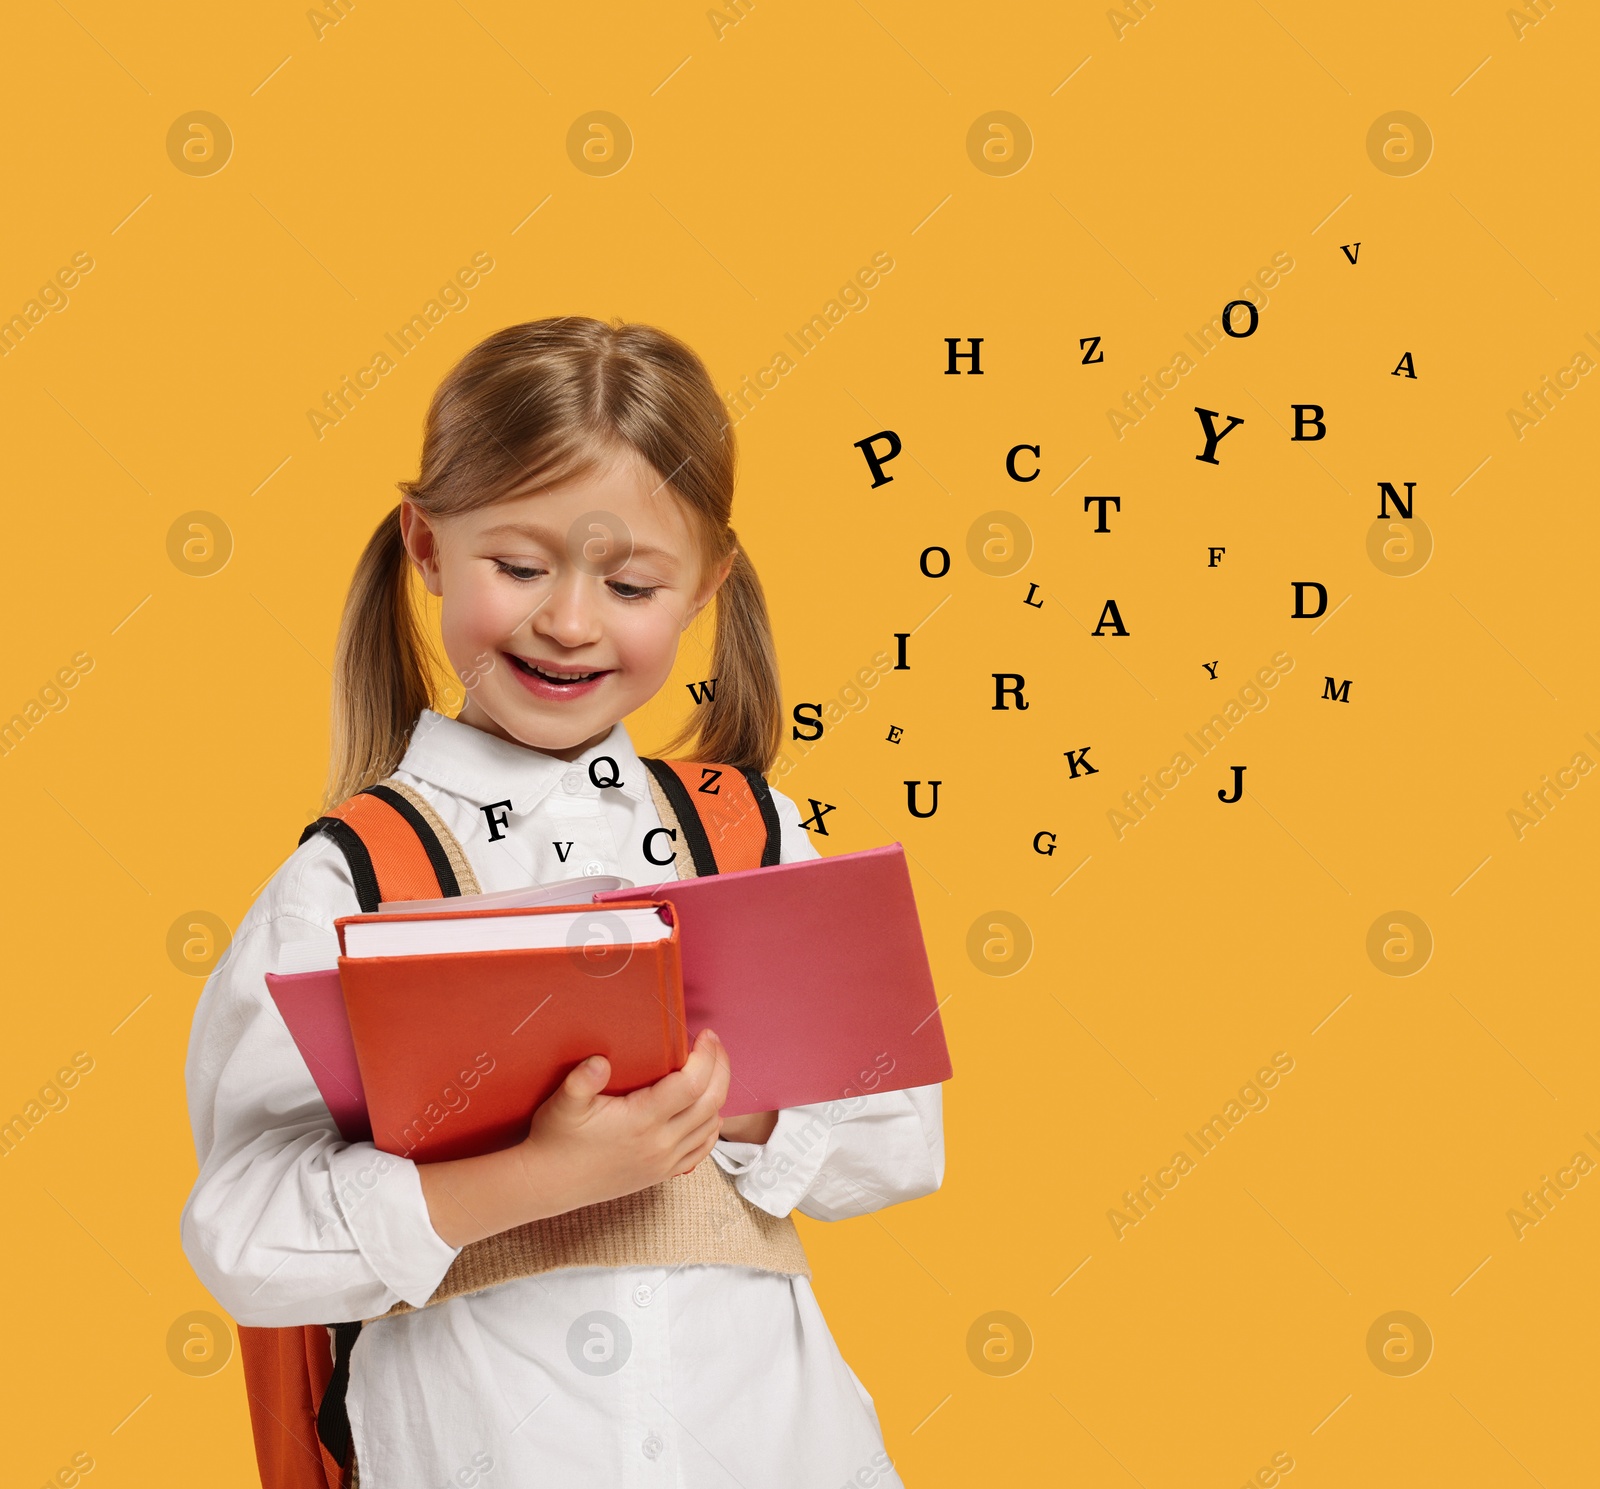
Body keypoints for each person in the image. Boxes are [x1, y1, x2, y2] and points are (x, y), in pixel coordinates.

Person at [179, 315, 945, 1487]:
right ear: (427, 546)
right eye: (520, 567)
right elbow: (244, 1237)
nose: (570, 621)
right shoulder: (353, 878)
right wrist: (537, 1175)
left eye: (630, 581)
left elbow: (901, 1138)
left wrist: (705, 1107)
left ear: (706, 586)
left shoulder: (747, 836)